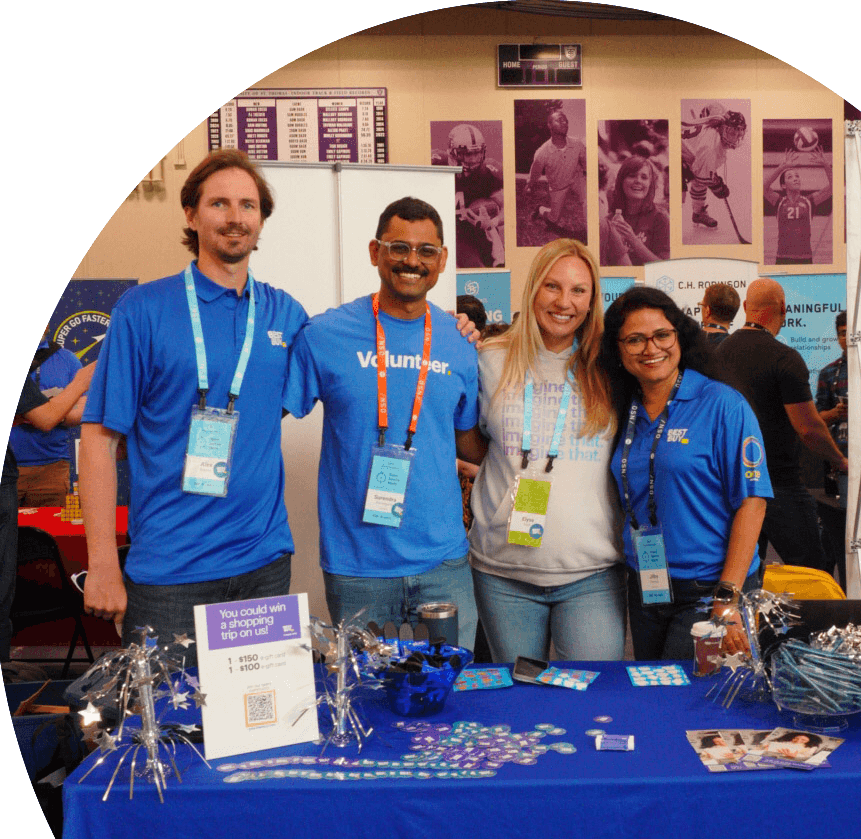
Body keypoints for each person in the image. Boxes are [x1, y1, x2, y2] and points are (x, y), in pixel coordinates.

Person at [80, 149, 308, 654]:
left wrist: (449, 327)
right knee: (167, 708)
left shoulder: (285, 315)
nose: (235, 217)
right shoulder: (143, 311)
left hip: (263, 567)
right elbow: (98, 440)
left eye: (248, 205)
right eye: (218, 203)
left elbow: (358, 357)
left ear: (262, 219)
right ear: (191, 214)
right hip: (170, 576)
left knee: (260, 708)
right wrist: (103, 564)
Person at [285, 197, 487, 643]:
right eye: (399, 248)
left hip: (443, 563)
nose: (412, 261)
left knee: (449, 681)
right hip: (358, 568)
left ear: (442, 260)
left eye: (426, 251)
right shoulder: (326, 334)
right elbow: (265, 414)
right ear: (376, 252)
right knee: (365, 683)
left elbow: (469, 442)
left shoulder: (459, 343)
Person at [468, 238, 625, 663]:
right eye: (552, 286)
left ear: (592, 300)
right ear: (533, 288)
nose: (564, 302)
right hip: (502, 572)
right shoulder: (489, 359)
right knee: (520, 693)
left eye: (578, 290)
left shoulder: (610, 368)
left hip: (590, 572)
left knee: (591, 692)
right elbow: (471, 441)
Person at [600, 286, 772, 661]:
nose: (651, 348)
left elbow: (753, 503)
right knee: (653, 685)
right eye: (635, 339)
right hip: (647, 582)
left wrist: (727, 597)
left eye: (662, 335)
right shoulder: (620, 408)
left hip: (710, 588)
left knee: (685, 690)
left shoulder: (722, 404)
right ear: (618, 348)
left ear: (680, 336)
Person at [711, 279, 847, 572]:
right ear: (783, 308)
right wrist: (840, 460)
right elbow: (808, 429)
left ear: (745, 307)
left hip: (732, 485)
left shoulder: (718, 356)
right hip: (778, 485)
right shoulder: (785, 359)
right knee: (812, 572)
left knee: (744, 573)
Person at [3, 354, 94, 661]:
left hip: (50, 466)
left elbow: (78, 410)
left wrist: (44, 411)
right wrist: (72, 389)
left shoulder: (64, 359)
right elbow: (46, 418)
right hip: (10, 474)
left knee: (43, 554)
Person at [10, 329, 85, 506]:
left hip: (52, 468)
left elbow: (84, 407)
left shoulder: (67, 359)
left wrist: (49, 414)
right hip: (8, 467)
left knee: (50, 524)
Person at [815, 310, 849, 589]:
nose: (846, 338)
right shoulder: (829, 372)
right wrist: (837, 413)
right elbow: (817, 419)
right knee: (834, 529)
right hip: (837, 461)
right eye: (841, 333)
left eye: (850, 332)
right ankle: (826, 589)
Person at [681, 104, 746, 234]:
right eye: (731, 132)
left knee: (699, 174)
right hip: (674, 153)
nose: (735, 137)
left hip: (684, 153)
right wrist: (717, 185)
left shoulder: (715, 131)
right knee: (679, 195)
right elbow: (703, 177)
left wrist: (713, 178)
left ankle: (698, 213)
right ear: (722, 128)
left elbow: (701, 171)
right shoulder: (711, 146)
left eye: (738, 133)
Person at [446, 124, 505, 268]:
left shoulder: (488, 171)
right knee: (474, 267)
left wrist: (492, 223)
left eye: (477, 153)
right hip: (452, 232)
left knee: (499, 266)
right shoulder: (437, 164)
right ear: (453, 153)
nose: (473, 159)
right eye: (467, 154)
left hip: (480, 230)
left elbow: (507, 208)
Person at [764, 147, 832, 265]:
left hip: (805, 258)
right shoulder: (779, 202)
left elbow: (834, 186)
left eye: (797, 176)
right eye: (790, 177)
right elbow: (763, 187)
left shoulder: (809, 201)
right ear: (783, 186)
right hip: (783, 258)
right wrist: (782, 167)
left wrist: (826, 164)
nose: (795, 179)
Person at [526, 109, 587, 240]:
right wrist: (529, 184)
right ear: (549, 125)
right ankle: (540, 210)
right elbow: (535, 172)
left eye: (566, 120)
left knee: (588, 199)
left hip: (577, 178)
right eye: (559, 120)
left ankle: (592, 231)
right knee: (553, 219)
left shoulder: (577, 144)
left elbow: (587, 163)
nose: (564, 122)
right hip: (558, 186)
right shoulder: (542, 152)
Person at [602, 156, 670, 265]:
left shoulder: (660, 218)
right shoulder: (609, 221)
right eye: (632, 176)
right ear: (621, 181)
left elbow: (665, 267)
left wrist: (632, 239)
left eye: (644, 177)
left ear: (650, 184)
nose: (638, 181)